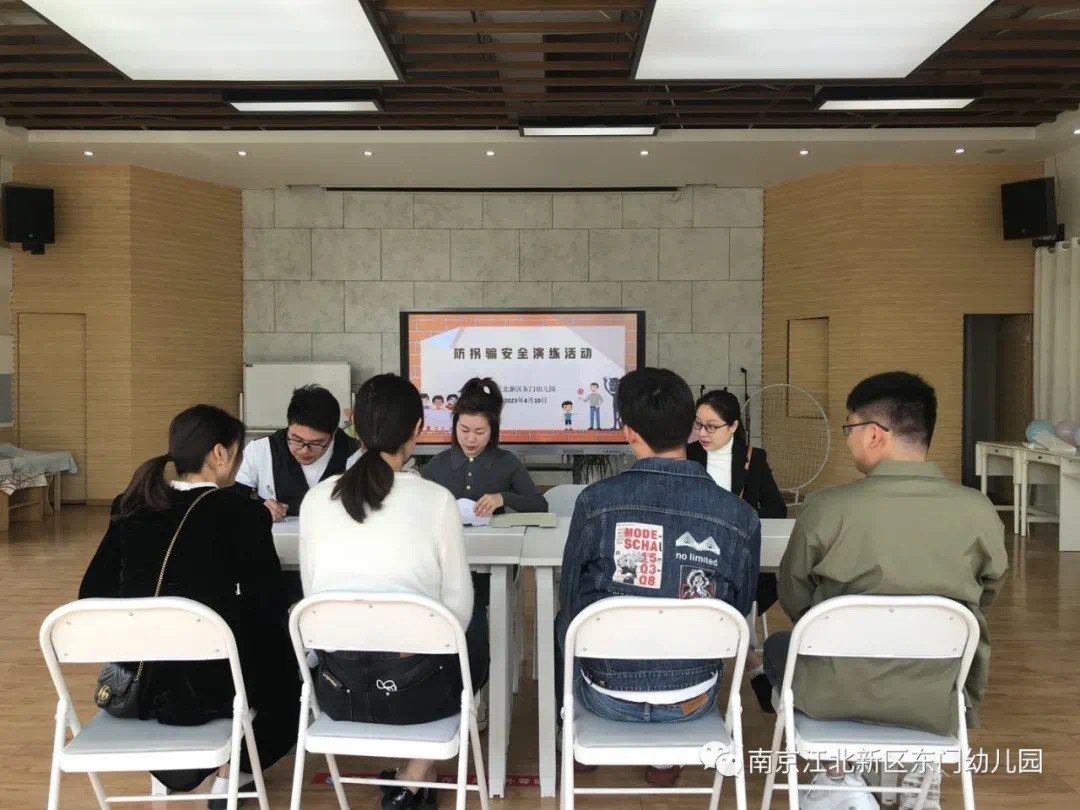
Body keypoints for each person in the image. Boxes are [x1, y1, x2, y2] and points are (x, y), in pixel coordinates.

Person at [766, 372, 1008, 810]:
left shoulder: (827, 509)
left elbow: (795, 596)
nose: (848, 439)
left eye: (849, 428)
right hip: (935, 691)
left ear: (874, 434)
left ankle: (839, 774)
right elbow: (984, 595)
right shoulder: (979, 511)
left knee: (779, 647)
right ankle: (920, 769)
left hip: (836, 689)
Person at [80, 405, 298, 806]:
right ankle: (232, 774)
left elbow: (91, 594)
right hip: (207, 693)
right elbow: (267, 605)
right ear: (219, 453)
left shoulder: (129, 504)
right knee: (286, 668)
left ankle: (210, 769)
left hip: (136, 685)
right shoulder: (241, 513)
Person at [556, 368, 760, 786]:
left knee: (565, 621)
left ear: (629, 431)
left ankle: (574, 740)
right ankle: (666, 762)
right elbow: (739, 611)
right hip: (694, 698)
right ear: (691, 429)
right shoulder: (740, 516)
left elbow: (572, 598)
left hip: (606, 696)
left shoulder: (595, 503)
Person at [300, 375, 483, 810]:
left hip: (338, 692)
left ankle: (416, 774)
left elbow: (312, 600)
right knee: (474, 627)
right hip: (417, 696)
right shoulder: (436, 499)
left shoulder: (316, 500)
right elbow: (458, 612)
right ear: (418, 429)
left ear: (354, 429)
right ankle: (415, 777)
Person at [422, 377, 547, 730]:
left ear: (493, 430)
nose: (471, 438)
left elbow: (539, 505)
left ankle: (472, 692)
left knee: (471, 609)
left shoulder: (506, 464)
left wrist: (504, 498)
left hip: (491, 568)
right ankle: (436, 687)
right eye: (464, 430)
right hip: (444, 566)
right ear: (454, 426)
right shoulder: (437, 466)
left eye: (480, 431)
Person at [687, 389, 786, 710]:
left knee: (719, 591)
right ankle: (753, 664)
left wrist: (739, 522)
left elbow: (776, 508)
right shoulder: (688, 455)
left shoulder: (753, 458)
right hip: (696, 550)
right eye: (698, 425)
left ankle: (708, 676)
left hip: (738, 554)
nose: (702, 433)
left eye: (711, 426)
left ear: (732, 427)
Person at [232, 385, 360, 520]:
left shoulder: (357, 454)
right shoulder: (260, 450)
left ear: (333, 433)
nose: (304, 450)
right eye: (297, 440)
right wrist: (256, 509)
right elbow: (230, 502)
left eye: (316, 443)